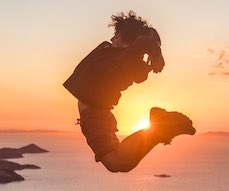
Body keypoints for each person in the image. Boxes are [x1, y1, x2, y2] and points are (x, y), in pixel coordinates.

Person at [63, 11, 196, 173]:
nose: (112, 40)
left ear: (126, 42)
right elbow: (142, 46)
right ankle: (160, 129)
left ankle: (158, 128)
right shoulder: (115, 57)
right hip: (98, 113)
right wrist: (151, 53)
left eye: (116, 36)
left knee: (116, 163)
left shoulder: (124, 59)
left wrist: (156, 55)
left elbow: (143, 42)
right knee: (120, 162)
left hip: (94, 114)